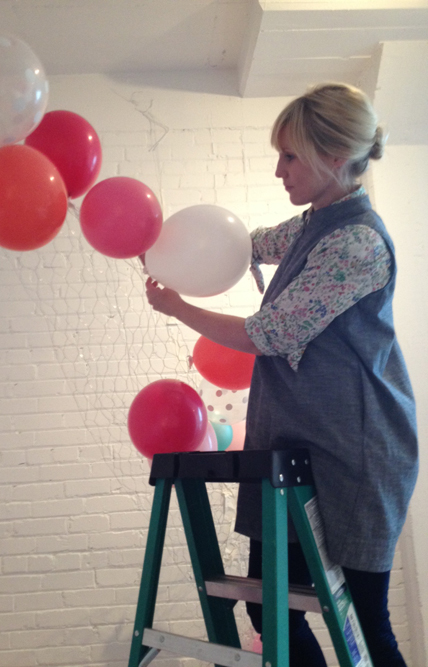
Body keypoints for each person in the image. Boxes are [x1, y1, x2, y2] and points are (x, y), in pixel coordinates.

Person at [144, 82, 418, 666]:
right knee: (271, 609)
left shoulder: (357, 242)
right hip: (298, 444)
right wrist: (161, 246)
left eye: (291, 156)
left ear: (335, 157)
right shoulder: (311, 225)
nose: (278, 170)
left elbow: (266, 335)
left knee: (363, 621)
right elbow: (247, 245)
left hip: (355, 450)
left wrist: (177, 307)